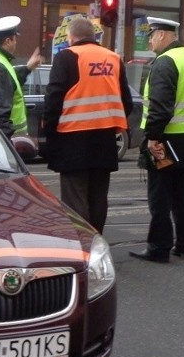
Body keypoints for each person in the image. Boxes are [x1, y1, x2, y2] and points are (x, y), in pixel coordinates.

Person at [42, 17, 133, 234]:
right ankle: (96, 242)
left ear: (71, 38)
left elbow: (54, 98)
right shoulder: (113, 59)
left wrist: (50, 134)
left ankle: (82, 247)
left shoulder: (67, 57)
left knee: (75, 198)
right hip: (105, 140)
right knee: (98, 198)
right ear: (94, 36)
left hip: (73, 139)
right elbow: (126, 102)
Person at [130, 17, 184, 263]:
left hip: (166, 142)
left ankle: (159, 248)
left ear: (162, 35)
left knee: (160, 197)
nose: (149, 40)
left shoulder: (165, 62)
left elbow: (161, 107)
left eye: (151, 35)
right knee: (183, 196)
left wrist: (152, 138)